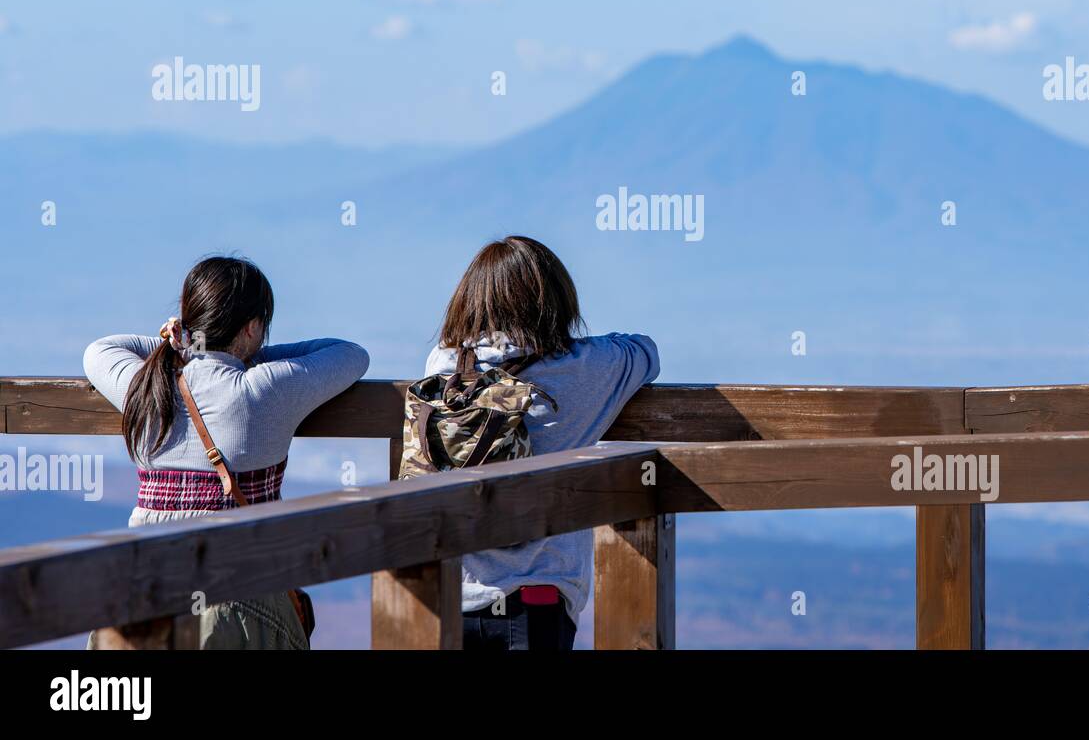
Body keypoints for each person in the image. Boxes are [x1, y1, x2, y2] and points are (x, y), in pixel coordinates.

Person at [82, 255, 370, 649]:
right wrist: (248, 355)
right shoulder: (267, 388)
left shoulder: (146, 386)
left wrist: (180, 345)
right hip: (241, 600)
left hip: (145, 586)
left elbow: (100, 349)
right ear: (252, 328)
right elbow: (349, 354)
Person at [427, 235, 659, 651]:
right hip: (535, 603)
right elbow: (645, 350)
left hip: (452, 594)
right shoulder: (582, 370)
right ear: (555, 301)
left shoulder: (443, 368)